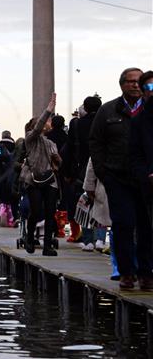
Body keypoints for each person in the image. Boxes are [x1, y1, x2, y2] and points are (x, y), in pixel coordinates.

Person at [90, 68, 150, 290]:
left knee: (147, 226)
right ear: (122, 84)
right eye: (131, 82)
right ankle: (126, 272)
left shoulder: (149, 109)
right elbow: (95, 142)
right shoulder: (107, 111)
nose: (136, 85)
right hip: (118, 177)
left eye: (140, 82)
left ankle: (146, 272)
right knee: (123, 225)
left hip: (146, 179)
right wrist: (102, 171)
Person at [22, 93, 61, 256]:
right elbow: (38, 128)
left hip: (50, 179)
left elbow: (58, 164)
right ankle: (30, 238)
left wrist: (57, 159)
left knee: (51, 212)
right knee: (36, 211)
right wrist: (49, 110)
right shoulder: (31, 139)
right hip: (34, 179)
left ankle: (47, 246)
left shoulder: (51, 143)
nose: (48, 123)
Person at [62, 95, 102, 244]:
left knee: (84, 202)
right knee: (101, 202)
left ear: (85, 108)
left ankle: (87, 240)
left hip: (81, 168)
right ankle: (100, 239)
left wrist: (67, 172)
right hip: (102, 166)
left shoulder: (77, 124)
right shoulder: (104, 122)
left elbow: (69, 149)